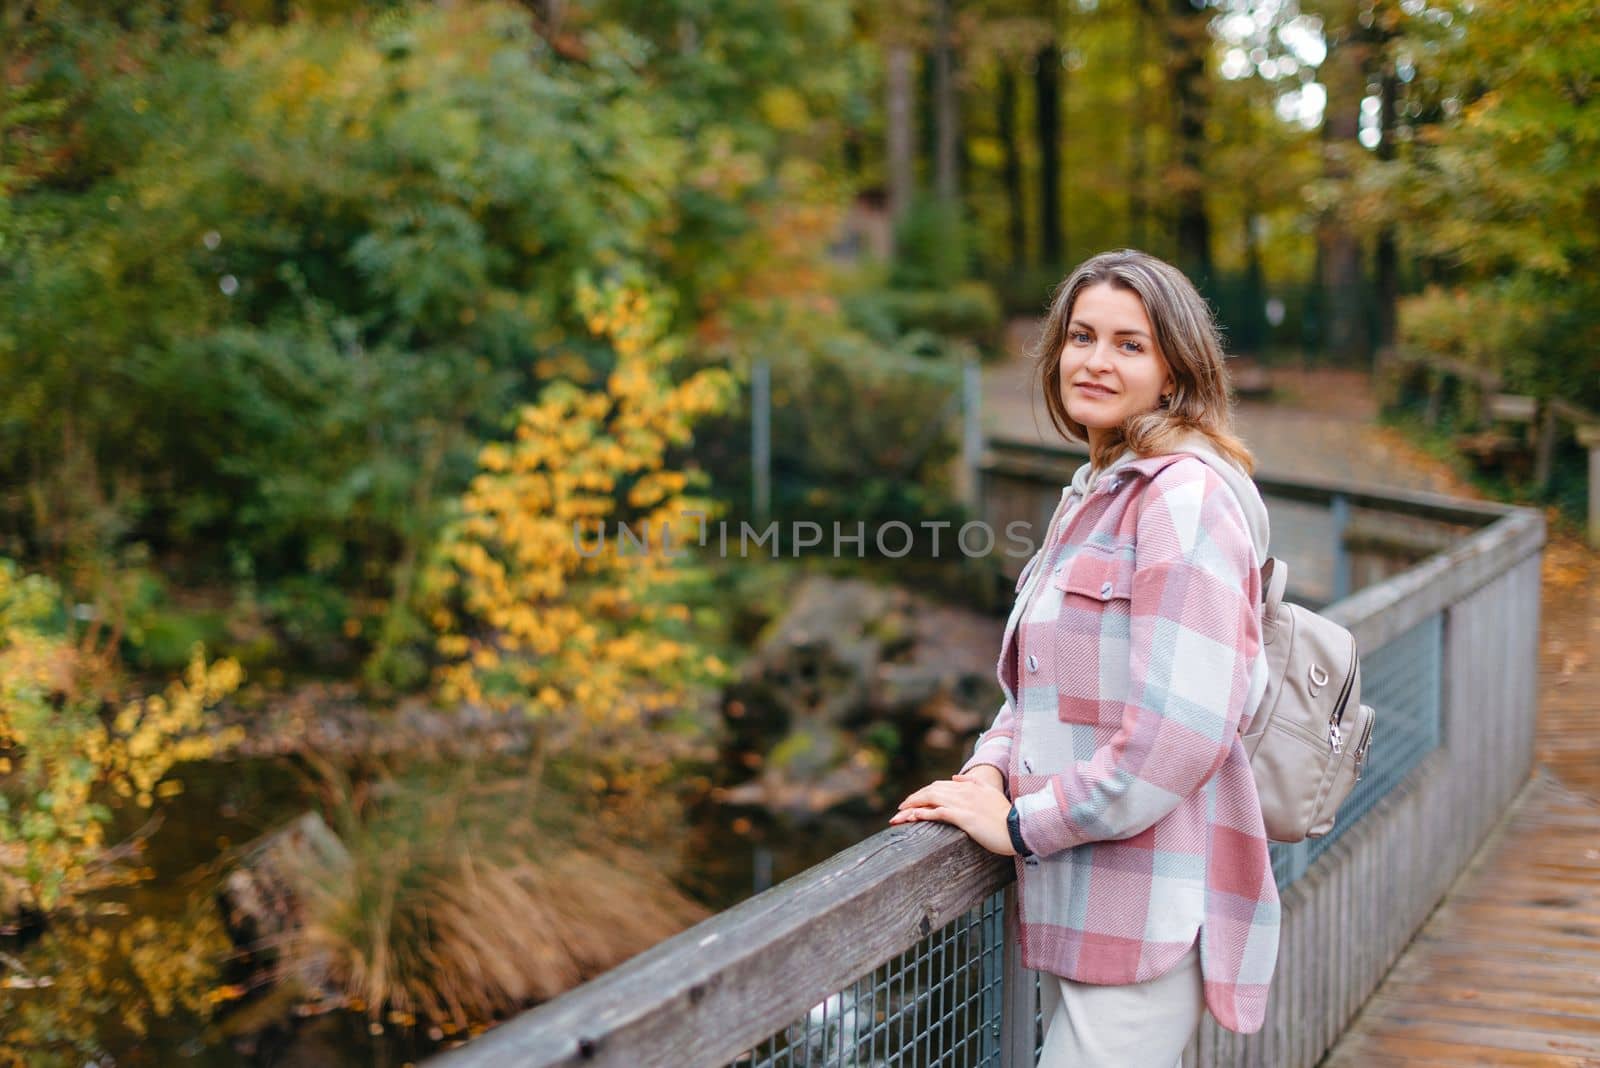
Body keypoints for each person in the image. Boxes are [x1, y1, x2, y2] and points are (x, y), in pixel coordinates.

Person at [889, 249, 1278, 1067]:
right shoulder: (1096, 491)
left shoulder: (1185, 499)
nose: (1096, 361)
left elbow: (1180, 733)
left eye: (1130, 344)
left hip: (1147, 907)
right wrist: (987, 772)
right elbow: (1038, 682)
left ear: (1175, 370)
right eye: (1081, 336)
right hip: (1077, 897)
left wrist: (1021, 824)